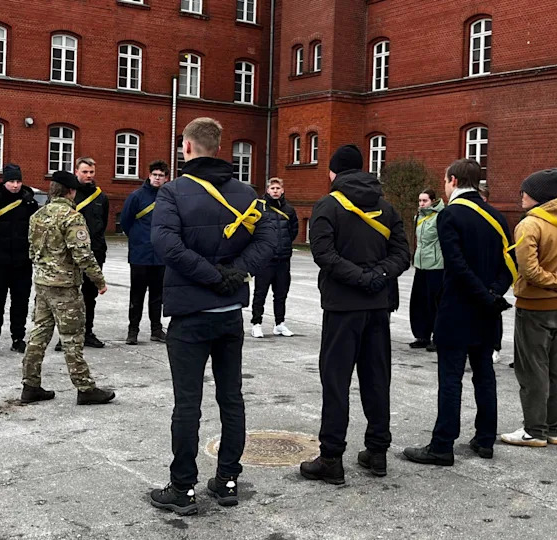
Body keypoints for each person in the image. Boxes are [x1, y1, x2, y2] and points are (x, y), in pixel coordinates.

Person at [148, 118, 274, 515]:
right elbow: (271, 238)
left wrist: (212, 275)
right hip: (229, 314)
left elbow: (166, 244)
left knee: (188, 404)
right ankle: (227, 480)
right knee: (231, 398)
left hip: (189, 315)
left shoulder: (172, 192)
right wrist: (233, 274)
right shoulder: (246, 192)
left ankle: (183, 488)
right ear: (218, 148)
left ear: (186, 148)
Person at [300, 144, 410, 484]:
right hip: (378, 305)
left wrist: (359, 278)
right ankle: (377, 452)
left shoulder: (327, 206)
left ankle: (332, 456)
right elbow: (402, 253)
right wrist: (377, 277)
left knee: (335, 381)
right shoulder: (386, 206)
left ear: (333, 172)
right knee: (377, 379)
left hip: (342, 307)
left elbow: (323, 254)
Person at [403, 159, 515, 465]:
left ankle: (442, 445)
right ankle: (485, 439)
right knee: (484, 375)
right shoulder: (496, 215)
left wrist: (482, 295)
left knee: (450, 378)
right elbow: (510, 263)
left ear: (452, 180)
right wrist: (493, 294)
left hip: (458, 307)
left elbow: (455, 263)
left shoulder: (450, 214)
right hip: (487, 308)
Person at [501, 168, 557, 448]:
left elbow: (529, 271)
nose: (522, 196)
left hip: (534, 306)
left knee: (532, 370)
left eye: (526, 191)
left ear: (537, 196)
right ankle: (554, 428)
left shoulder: (530, 225)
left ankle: (534, 430)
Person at [20, 171, 115, 406]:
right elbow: (83, 255)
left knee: (39, 334)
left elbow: (32, 250)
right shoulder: (72, 217)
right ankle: (85, 388)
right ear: (71, 192)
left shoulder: (37, 215)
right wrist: (99, 281)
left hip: (42, 283)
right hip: (64, 287)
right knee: (72, 337)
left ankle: (30, 385)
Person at [0, 164, 40, 357]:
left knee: (20, 301)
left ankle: (18, 338)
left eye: (18, 181)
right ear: (4, 182)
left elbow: (36, 231)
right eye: (11, 181)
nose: (15, 185)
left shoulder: (30, 204)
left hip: (22, 262)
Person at [55, 157, 109, 350]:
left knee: (89, 295)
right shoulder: (69, 195)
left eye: (91, 172)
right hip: (69, 255)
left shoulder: (101, 197)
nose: (88, 175)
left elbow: (102, 224)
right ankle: (66, 336)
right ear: (76, 171)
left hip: (94, 252)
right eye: (85, 171)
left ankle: (87, 332)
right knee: (69, 296)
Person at [120, 160, 169, 346]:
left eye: (161, 176)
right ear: (149, 175)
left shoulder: (167, 197)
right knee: (137, 294)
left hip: (160, 254)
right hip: (140, 254)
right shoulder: (137, 196)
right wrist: (137, 238)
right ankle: (133, 331)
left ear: (166, 178)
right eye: (155, 175)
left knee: (158, 295)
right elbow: (125, 221)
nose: (157, 178)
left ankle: (156, 329)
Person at [251, 177, 299, 338]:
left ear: (283, 190)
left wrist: (283, 245)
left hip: (283, 259)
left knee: (281, 294)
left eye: (278, 188)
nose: (275, 191)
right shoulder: (261, 208)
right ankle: (256, 323)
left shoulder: (289, 210)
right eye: (272, 188)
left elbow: (293, 230)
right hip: (266, 260)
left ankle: (280, 324)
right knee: (260, 293)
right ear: (267, 190)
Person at [408, 188, 444, 353]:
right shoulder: (419, 217)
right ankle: (422, 336)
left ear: (433, 201)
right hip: (420, 265)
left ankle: (438, 337)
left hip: (436, 266)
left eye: (425, 201)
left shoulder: (440, 217)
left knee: (434, 303)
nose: (421, 204)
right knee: (419, 302)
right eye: (420, 201)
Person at [478, 179, 505, 365]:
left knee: (494, 311)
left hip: (492, 272)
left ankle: (495, 346)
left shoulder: (495, 218)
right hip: (477, 271)